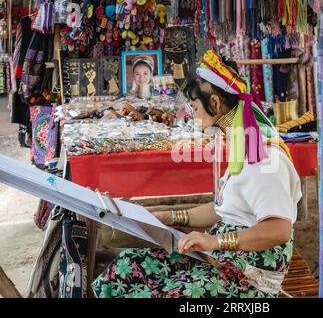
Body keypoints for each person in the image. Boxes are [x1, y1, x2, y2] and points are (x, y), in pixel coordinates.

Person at [92, 50, 302, 298]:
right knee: (127, 265)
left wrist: (214, 242)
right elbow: (223, 209)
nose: (193, 115)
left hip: (247, 276)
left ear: (214, 103)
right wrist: (165, 216)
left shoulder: (266, 159)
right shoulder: (243, 147)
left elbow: (278, 230)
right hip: (223, 259)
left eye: (194, 107)